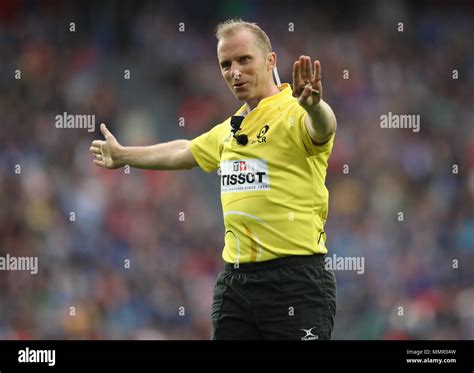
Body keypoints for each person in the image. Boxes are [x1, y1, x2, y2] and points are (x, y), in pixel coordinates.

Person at [90, 19, 337, 340]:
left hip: (296, 281)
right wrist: (124, 156)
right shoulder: (230, 130)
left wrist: (315, 106)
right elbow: (185, 151)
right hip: (237, 284)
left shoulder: (295, 113)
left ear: (271, 61)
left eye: (244, 59)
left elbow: (324, 128)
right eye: (226, 64)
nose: (235, 71)